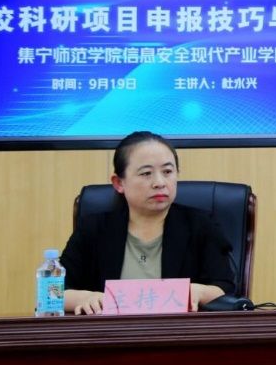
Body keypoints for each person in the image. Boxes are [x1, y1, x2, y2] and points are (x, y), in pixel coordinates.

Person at [61, 131, 235, 314]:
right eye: (146, 173)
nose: (159, 182)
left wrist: (200, 292)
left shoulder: (201, 225)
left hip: (178, 330)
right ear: (119, 183)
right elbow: (53, 291)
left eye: (167, 172)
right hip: (109, 331)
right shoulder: (94, 229)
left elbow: (226, 290)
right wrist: (85, 298)